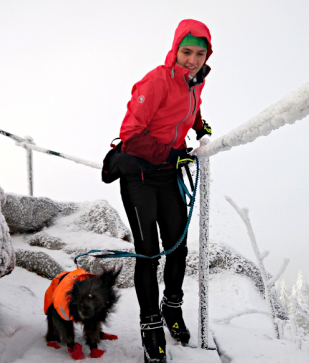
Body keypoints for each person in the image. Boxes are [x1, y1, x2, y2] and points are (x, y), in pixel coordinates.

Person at [118, 19, 213, 363]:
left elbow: (190, 106)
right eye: (186, 51)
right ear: (175, 50)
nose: (191, 59)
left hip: (167, 173)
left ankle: (172, 307)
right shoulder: (155, 81)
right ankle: (151, 326)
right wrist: (173, 154)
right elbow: (130, 133)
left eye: (199, 53)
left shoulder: (195, 82)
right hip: (139, 175)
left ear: (207, 55)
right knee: (149, 252)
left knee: (177, 246)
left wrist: (201, 126)